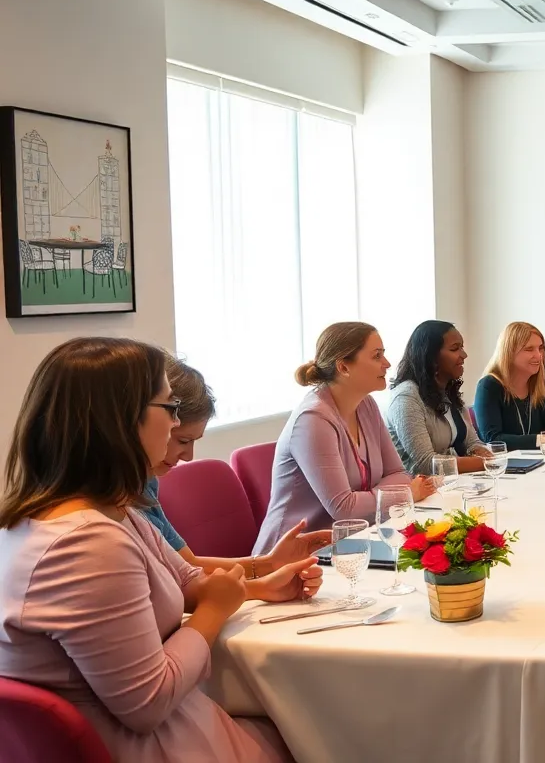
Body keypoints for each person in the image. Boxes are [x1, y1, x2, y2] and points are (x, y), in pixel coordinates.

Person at [0, 337, 291, 762]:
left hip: (161, 727)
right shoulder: (86, 544)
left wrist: (255, 584)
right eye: (170, 408)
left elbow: (187, 579)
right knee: (325, 732)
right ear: (119, 421)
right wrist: (215, 609)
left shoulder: (110, 511)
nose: (175, 424)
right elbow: (148, 703)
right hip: (145, 745)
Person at [140, 355, 328, 595]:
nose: (188, 456)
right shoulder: (117, 504)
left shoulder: (144, 483)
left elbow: (186, 565)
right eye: (183, 441)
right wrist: (258, 586)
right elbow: (177, 580)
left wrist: (268, 565)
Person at [255, 322, 432, 554]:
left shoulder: (366, 405)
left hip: (352, 542)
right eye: (377, 356)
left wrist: (379, 496)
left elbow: (398, 473)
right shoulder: (313, 419)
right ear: (343, 367)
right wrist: (405, 493)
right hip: (293, 556)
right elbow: (344, 509)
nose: (387, 363)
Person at [387, 320, 492, 476]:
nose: (464, 355)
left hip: (458, 482)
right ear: (431, 356)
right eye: (455, 348)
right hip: (423, 488)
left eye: (462, 347)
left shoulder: (447, 391)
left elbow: (472, 443)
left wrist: (484, 454)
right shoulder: (406, 398)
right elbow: (427, 463)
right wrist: (486, 463)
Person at [474, 321, 545, 451]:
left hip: (539, 459)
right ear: (509, 352)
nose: (539, 355)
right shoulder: (489, 386)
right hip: (504, 461)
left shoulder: (540, 386)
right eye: (529, 349)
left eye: (540, 348)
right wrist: (542, 440)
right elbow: (493, 439)